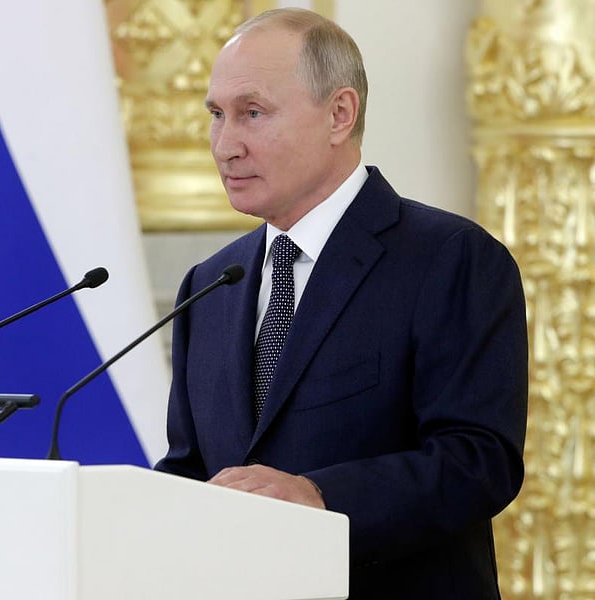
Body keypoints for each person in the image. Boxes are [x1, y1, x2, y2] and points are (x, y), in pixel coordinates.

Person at [154, 8, 528, 599]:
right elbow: (190, 471)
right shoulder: (209, 286)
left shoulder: (451, 258)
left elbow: (477, 461)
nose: (225, 145)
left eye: (252, 113)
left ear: (339, 114)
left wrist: (321, 496)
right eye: (216, 116)